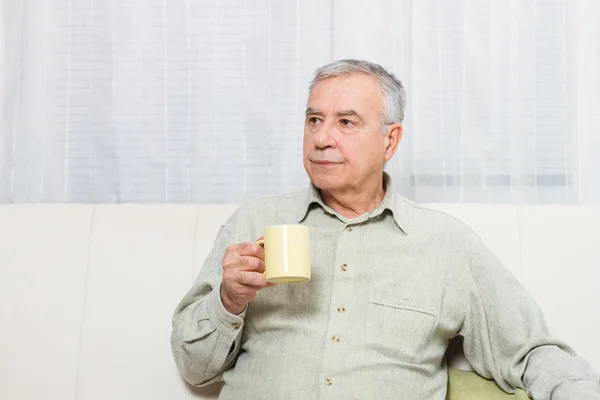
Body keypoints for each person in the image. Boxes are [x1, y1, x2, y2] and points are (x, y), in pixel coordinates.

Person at [170, 59, 600, 399]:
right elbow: (194, 369)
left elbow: (530, 352)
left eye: (346, 122)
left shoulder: (445, 244)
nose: (321, 138)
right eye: (314, 119)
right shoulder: (254, 221)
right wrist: (229, 301)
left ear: (390, 141)